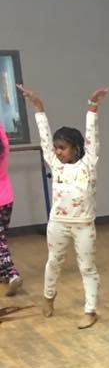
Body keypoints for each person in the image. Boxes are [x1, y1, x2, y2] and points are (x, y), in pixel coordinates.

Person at [18, 84, 107, 328]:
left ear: (76, 149)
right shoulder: (55, 165)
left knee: (87, 266)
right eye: (56, 148)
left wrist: (93, 107)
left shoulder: (89, 163)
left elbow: (93, 135)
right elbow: (44, 137)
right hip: (58, 222)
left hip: (84, 225)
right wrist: (38, 107)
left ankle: (90, 310)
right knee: (54, 261)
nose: (57, 152)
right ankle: (48, 297)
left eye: (62, 148)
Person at [0, 119, 21, 295]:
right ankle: (3, 272)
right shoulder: (4, 145)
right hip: (6, 199)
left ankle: (12, 273)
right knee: (1, 237)